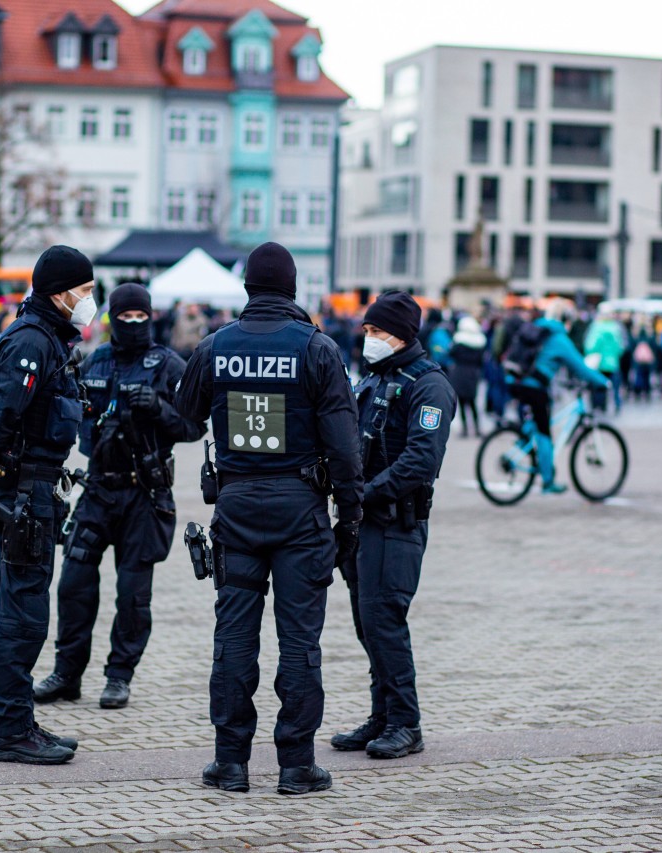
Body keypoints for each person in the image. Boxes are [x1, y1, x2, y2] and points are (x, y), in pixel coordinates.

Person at [175, 242, 362, 796]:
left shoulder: (215, 347)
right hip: (301, 510)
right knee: (299, 640)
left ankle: (230, 763)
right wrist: (349, 515)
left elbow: (185, 420)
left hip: (235, 510)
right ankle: (296, 765)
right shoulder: (318, 349)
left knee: (234, 637)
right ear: (292, 288)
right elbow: (345, 449)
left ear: (249, 288)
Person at [0, 245, 94, 765]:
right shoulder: (31, 341)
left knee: (27, 610)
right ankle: (9, 731)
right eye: (85, 291)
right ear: (59, 293)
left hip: (35, 491)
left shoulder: (47, 338)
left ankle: (19, 720)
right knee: (23, 615)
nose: (89, 300)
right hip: (26, 495)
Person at [35, 284, 205, 709]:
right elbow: (75, 416)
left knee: (132, 594)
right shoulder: (98, 359)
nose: (132, 324)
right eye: (124, 317)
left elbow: (193, 426)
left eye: (139, 317)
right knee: (73, 583)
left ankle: (119, 676)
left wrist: (158, 409)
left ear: (150, 318)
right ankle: (66, 674)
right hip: (98, 487)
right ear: (112, 318)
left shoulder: (167, 364)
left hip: (144, 493)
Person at [331, 291, 455, 761]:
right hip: (364, 525)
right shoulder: (377, 378)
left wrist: (363, 493)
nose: (368, 338)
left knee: (385, 621)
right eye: (365, 330)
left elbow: (421, 460)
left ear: (401, 334)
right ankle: (382, 715)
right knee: (368, 624)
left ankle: (406, 722)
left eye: (376, 331)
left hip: (396, 523)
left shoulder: (429, 386)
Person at [508, 305, 609, 494]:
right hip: (533, 387)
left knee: (536, 422)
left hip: (516, 381)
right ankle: (548, 482)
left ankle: (522, 444)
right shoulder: (559, 339)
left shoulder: (538, 329)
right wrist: (603, 382)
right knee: (545, 432)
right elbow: (580, 366)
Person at [447, 315, 486, 437]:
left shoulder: (458, 342)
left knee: (463, 403)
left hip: (459, 372)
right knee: (473, 402)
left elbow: (451, 354)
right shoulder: (479, 343)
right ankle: (477, 428)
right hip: (472, 374)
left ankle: (464, 429)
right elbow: (481, 362)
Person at [583, 308, 626, 414]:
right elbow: (621, 346)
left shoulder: (596, 327)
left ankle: (600, 407)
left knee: (600, 385)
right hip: (613, 362)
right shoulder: (616, 328)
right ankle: (617, 404)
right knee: (615, 387)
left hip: (599, 363)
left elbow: (590, 346)